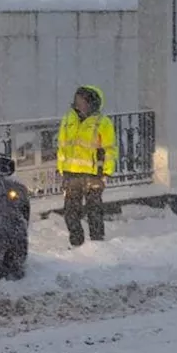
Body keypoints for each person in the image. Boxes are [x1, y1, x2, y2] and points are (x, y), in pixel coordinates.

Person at [56, 85, 118, 247]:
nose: (78, 103)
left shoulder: (102, 123)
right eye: (77, 100)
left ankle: (97, 243)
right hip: (72, 174)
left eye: (82, 100)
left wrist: (106, 172)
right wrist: (61, 169)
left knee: (94, 210)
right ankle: (77, 243)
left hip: (93, 174)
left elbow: (109, 149)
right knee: (70, 212)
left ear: (91, 103)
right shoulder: (69, 119)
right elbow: (62, 145)